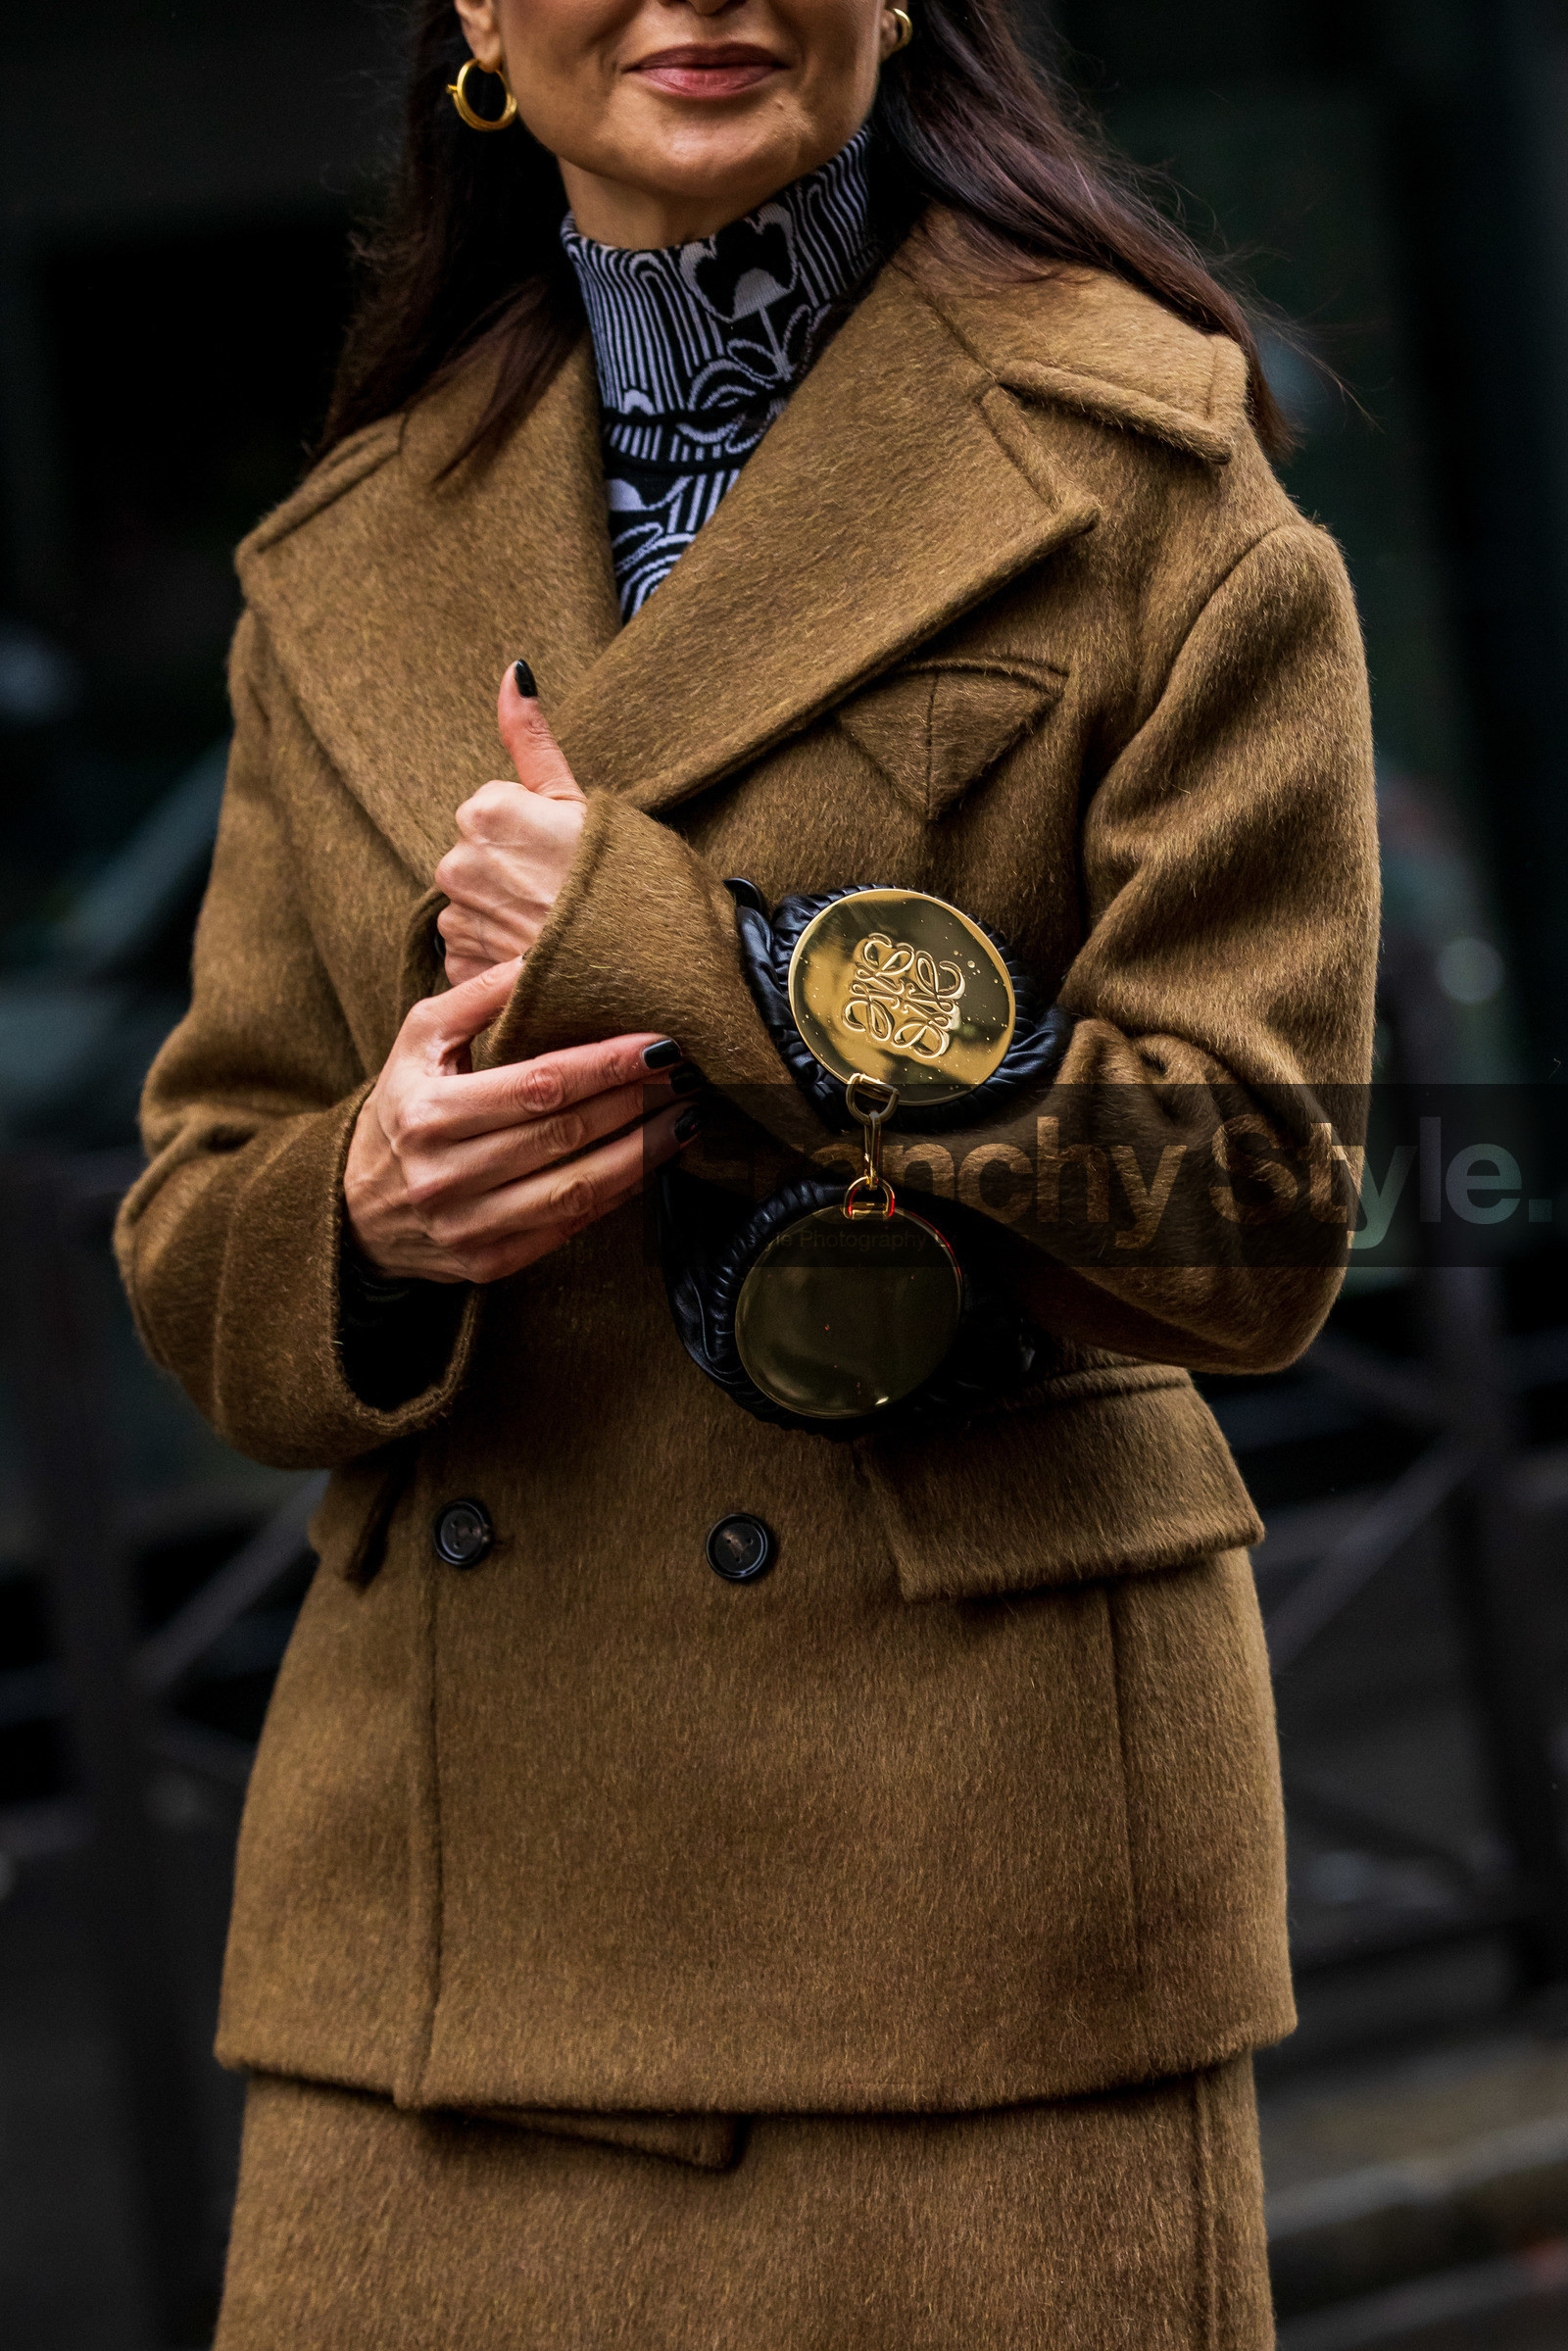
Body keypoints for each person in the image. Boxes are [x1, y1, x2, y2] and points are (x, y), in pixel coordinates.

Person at [116, 2, 1379, 2343]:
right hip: (439, 1948)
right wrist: (370, 1220)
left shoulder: (1135, 470)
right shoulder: (347, 549)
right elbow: (203, 1225)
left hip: (967, 1914)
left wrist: (697, 961)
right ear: (481, 17)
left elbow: (1253, 1207)